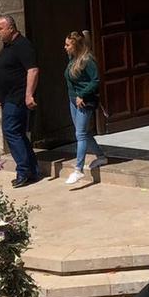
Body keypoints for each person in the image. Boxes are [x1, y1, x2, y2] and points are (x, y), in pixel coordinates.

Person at [0, 15, 41, 187]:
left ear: (11, 28)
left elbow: (32, 70)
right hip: (7, 98)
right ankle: (32, 170)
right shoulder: (7, 45)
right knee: (17, 133)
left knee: (11, 131)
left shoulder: (23, 45)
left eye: (0, 28)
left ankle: (23, 171)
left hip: (17, 97)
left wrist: (28, 95)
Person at [62, 30, 107, 185]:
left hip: (84, 102)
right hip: (73, 100)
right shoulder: (72, 58)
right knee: (84, 132)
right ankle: (101, 156)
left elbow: (95, 81)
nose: (65, 47)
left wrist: (82, 94)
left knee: (80, 134)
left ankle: (78, 169)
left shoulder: (87, 60)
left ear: (76, 46)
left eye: (68, 45)